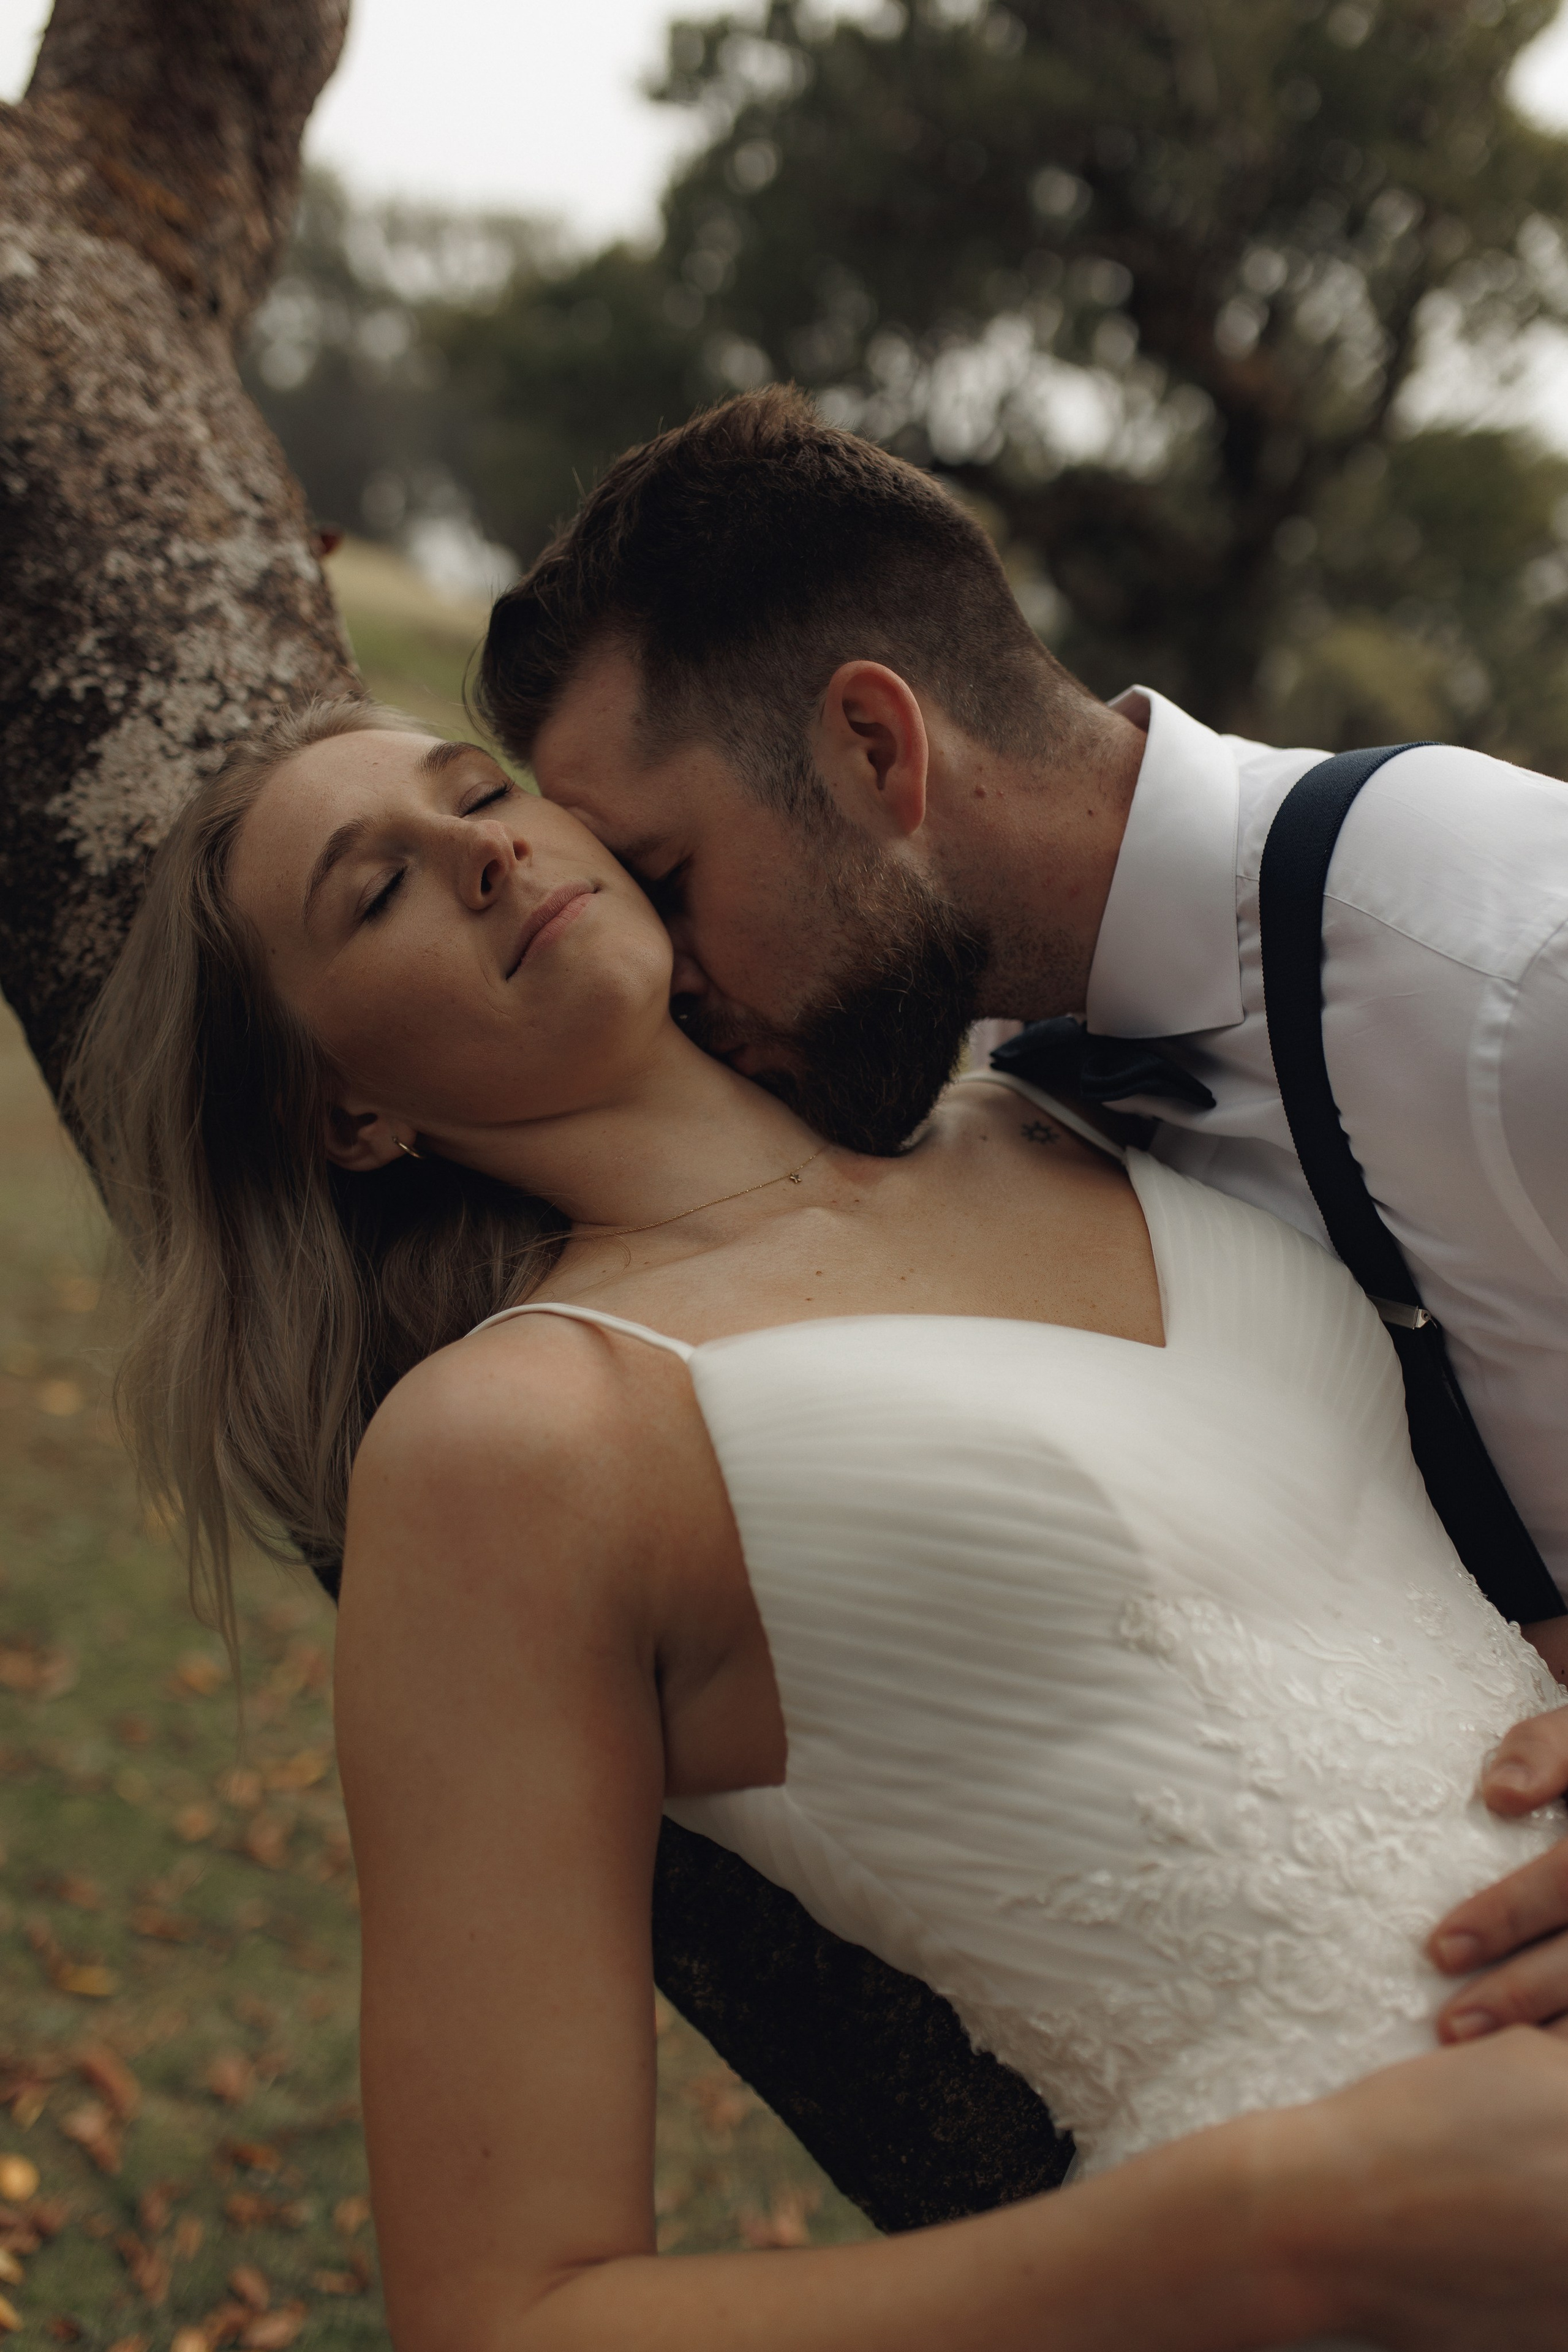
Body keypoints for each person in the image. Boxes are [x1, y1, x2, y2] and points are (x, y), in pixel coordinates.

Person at [67, 695, 1568, 2351]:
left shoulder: (1067, 1106)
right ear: (344, 1115)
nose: (482, 854)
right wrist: (1275, 2233)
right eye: (378, 890)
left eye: (481, 791)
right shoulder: (516, 1445)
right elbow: (500, 2316)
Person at [476, 382, 1568, 2047]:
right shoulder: (983, 1083)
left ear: (873, 748)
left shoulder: (1501, 960)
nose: (667, 983)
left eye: (671, 880)